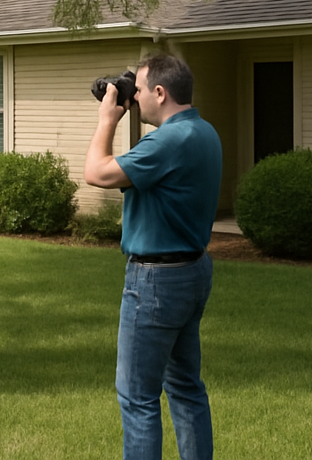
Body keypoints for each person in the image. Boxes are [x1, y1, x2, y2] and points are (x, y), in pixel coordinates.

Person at [84, 53, 222, 460]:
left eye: (140, 90)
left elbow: (97, 172)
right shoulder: (203, 131)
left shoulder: (167, 141)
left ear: (160, 93)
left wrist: (107, 118)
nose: (136, 98)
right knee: (185, 388)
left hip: (156, 283)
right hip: (192, 272)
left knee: (138, 398)